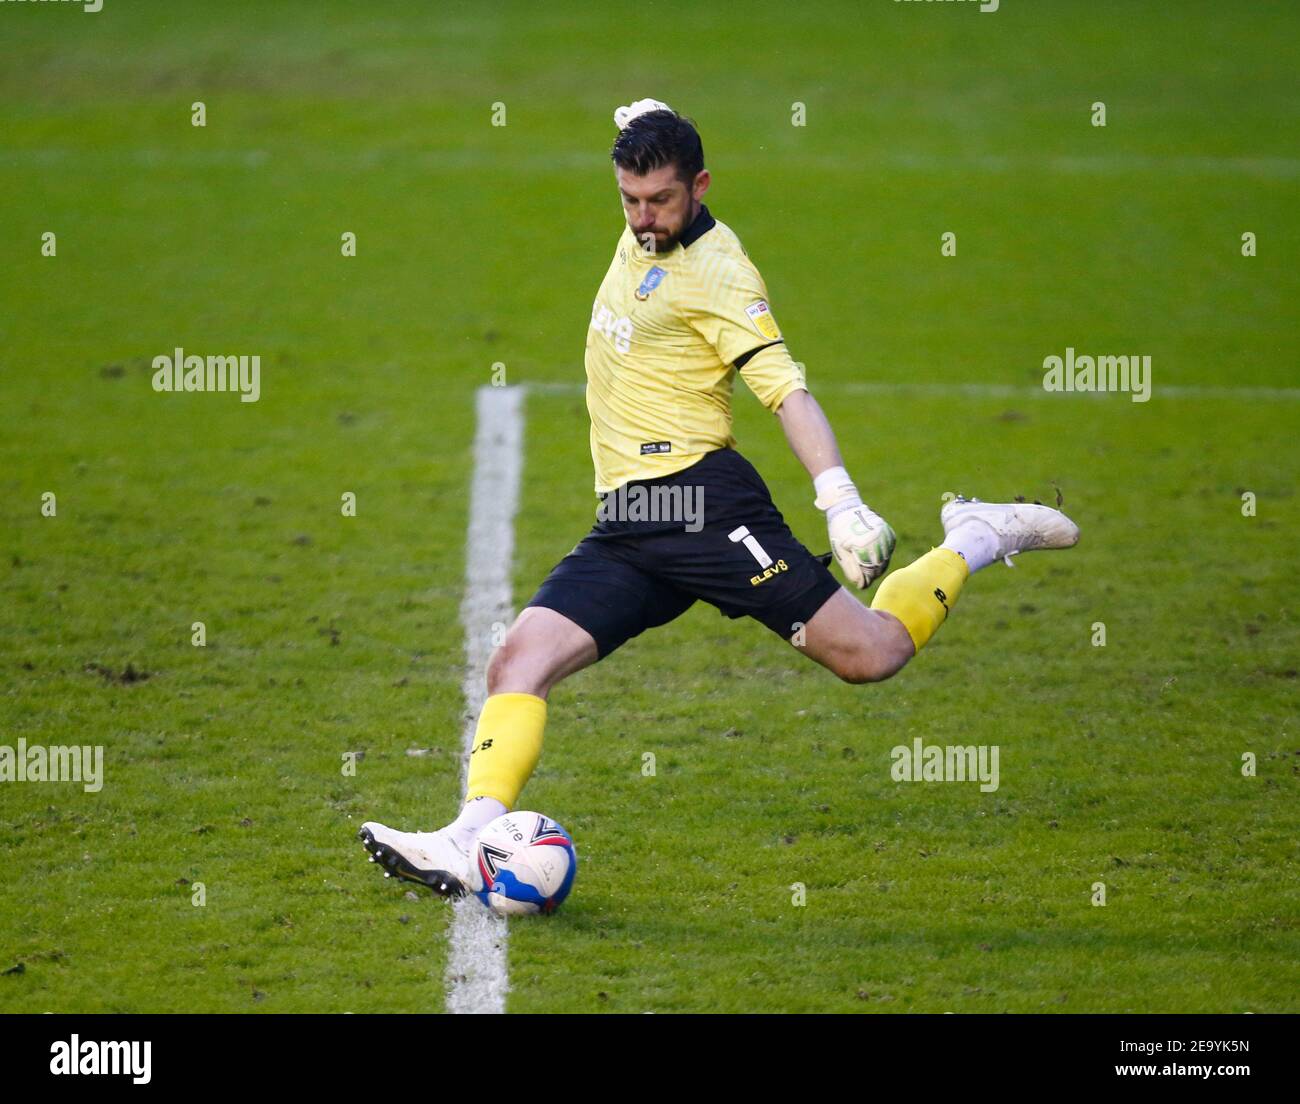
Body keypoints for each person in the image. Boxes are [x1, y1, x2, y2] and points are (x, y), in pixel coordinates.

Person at [359, 100, 1078, 897]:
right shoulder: (645, 212)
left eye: (661, 200)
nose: (643, 219)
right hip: (631, 517)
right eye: (629, 200)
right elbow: (648, 127)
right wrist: (645, 111)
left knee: (871, 654)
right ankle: (465, 838)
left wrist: (839, 501)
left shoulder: (722, 275)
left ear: (699, 187)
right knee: (516, 661)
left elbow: (787, 392)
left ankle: (973, 535)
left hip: (702, 505)